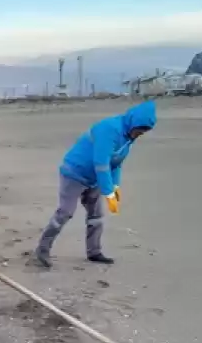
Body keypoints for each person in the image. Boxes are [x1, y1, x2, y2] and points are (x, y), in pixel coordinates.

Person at [34, 100, 157, 268]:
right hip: (74, 174)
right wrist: (108, 193)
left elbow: (116, 163)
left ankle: (94, 252)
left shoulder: (128, 138)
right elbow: (101, 163)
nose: (140, 134)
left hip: (94, 179)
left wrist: (115, 187)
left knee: (96, 216)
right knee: (65, 212)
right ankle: (42, 250)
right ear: (133, 122)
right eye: (140, 130)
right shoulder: (109, 129)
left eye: (143, 132)